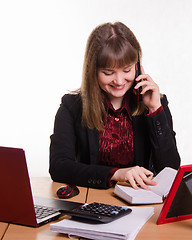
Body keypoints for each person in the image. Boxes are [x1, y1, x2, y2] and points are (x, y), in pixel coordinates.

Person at [49, 22, 180, 190]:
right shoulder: (71, 106)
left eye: (127, 70)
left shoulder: (156, 103)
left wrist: (155, 111)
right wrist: (117, 174)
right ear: (93, 71)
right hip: (92, 201)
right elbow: (59, 167)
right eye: (108, 73)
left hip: (141, 200)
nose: (119, 81)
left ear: (138, 67)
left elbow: (170, 170)